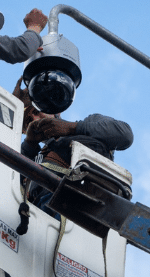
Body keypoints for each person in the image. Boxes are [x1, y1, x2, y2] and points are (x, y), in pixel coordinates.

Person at [12, 78, 133, 218]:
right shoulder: (33, 156)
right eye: (28, 120)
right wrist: (29, 144)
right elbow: (8, 180)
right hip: (39, 217)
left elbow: (125, 135)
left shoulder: (88, 127)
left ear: (55, 110)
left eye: (37, 111)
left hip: (81, 209)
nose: (35, 119)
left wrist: (73, 128)